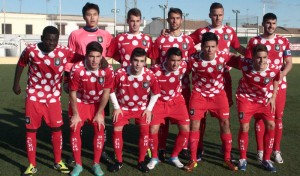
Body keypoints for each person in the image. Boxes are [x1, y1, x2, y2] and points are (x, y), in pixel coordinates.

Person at [12, 26, 82, 176]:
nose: (51, 43)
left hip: (53, 98)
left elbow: (81, 57)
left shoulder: (64, 52)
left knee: (56, 129)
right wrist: (16, 83)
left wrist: (99, 59)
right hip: (34, 97)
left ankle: (57, 162)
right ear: (42, 38)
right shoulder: (31, 50)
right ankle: (32, 165)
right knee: (31, 130)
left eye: (55, 40)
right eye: (49, 39)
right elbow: (21, 63)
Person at [188, 2, 246, 160]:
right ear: (209, 15)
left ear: (223, 14)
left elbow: (237, 47)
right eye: (215, 14)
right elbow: (186, 43)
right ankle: (199, 147)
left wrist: (251, 54)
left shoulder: (229, 31)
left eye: (220, 14)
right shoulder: (202, 32)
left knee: (224, 118)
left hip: (222, 78)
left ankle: (224, 148)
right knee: (201, 117)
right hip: (203, 77)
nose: (218, 17)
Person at [67, 2, 113, 164]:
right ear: (84, 16)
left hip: (99, 84)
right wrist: (68, 78)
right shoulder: (75, 34)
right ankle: (74, 154)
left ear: (98, 15)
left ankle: (103, 151)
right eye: (88, 14)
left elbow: (111, 52)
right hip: (80, 81)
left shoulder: (106, 34)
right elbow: (70, 58)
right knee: (76, 123)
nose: (92, 17)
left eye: (94, 14)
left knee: (101, 122)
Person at [183, 32, 237, 172]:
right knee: (194, 124)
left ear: (217, 47)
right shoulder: (193, 59)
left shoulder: (223, 57)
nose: (210, 50)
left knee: (225, 123)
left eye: (213, 47)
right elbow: (181, 74)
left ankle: (227, 158)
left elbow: (242, 63)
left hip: (218, 95)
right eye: (207, 47)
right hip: (199, 95)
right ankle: (193, 159)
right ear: (201, 46)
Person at [245, 13, 292, 164]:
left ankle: (276, 150)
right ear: (263, 24)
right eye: (268, 23)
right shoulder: (254, 41)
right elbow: (247, 61)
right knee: (260, 117)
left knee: (277, 118)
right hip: (259, 86)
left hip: (279, 86)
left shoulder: (283, 41)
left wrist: (280, 74)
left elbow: (288, 62)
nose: (270, 26)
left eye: (273, 23)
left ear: (276, 24)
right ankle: (260, 151)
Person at [150, 7, 196, 161]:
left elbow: (191, 62)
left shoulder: (188, 40)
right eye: (172, 18)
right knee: (163, 119)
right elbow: (154, 61)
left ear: (181, 20)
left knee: (183, 119)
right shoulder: (161, 39)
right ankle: (161, 147)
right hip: (162, 87)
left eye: (177, 18)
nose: (175, 21)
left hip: (182, 86)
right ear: (168, 20)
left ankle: (183, 148)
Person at [227, 44, 280, 172]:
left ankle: (266, 159)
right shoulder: (244, 64)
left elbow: (277, 79)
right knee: (244, 127)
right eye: (258, 57)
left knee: (271, 125)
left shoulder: (273, 68)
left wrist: (273, 97)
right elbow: (226, 57)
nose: (262, 61)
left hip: (264, 100)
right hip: (246, 98)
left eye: (264, 57)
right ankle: (243, 158)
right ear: (253, 58)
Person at [108, 47, 160, 173]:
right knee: (116, 129)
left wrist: (148, 109)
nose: (138, 64)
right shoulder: (120, 73)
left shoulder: (149, 75)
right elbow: (110, 90)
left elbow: (156, 93)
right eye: (136, 60)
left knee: (144, 131)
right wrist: (116, 107)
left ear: (145, 62)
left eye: (142, 61)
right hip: (123, 109)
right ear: (131, 60)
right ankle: (119, 161)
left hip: (141, 109)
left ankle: (141, 161)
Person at [68, 41, 114, 176]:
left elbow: (106, 92)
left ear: (102, 56)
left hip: (97, 104)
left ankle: (96, 164)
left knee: (100, 128)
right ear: (86, 56)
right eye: (91, 56)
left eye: (98, 56)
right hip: (80, 102)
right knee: (74, 128)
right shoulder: (77, 69)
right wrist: (75, 114)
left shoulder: (108, 70)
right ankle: (78, 164)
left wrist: (100, 113)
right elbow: (72, 93)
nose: (94, 60)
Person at [147, 47, 190, 170]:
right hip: (158, 102)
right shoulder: (155, 70)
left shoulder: (183, 67)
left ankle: (174, 156)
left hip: (176, 101)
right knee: (153, 129)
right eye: (172, 60)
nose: (175, 64)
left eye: (178, 60)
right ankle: (154, 157)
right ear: (166, 59)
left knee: (185, 129)